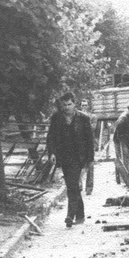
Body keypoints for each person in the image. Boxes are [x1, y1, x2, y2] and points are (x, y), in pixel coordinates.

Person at [46, 91, 95, 228]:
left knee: (72, 185)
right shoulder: (57, 118)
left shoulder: (83, 118)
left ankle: (70, 215)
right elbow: (51, 137)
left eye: (69, 104)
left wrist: (90, 159)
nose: (67, 107)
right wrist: (52, 153)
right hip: (63, 157)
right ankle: (80, 216)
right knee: (71, 185)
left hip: (78, 157)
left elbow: (89, 140)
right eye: (64, 105)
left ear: (74, 104)